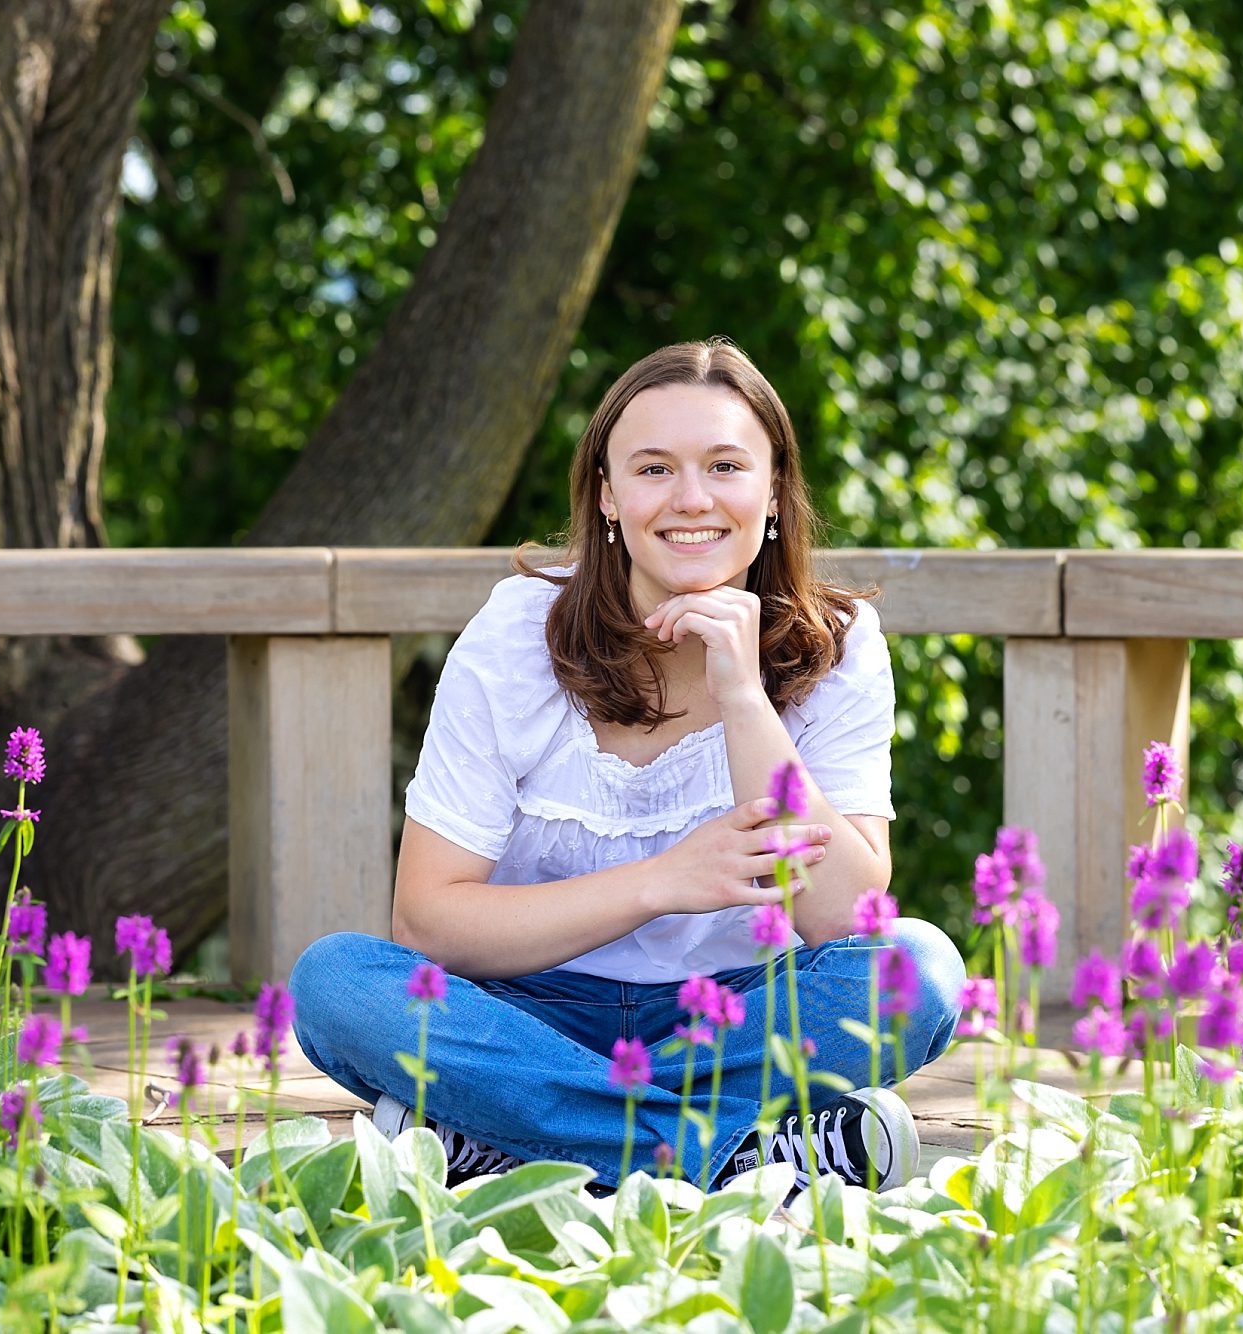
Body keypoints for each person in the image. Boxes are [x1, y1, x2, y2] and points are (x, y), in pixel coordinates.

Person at [290, 339, 963, 1192]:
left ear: (773, 494)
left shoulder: (840, 646)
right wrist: (663, 880)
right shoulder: (514, 639)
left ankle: (524, 1145)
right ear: (607, 496)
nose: (691, 500)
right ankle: (736, 1158)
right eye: (653, 469)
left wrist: (746, 697)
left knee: (917, 968)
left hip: (735, 1020)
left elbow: (848, 921)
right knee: (337, 982)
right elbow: (428, 924)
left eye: (725, 465)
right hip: (530, 1020)